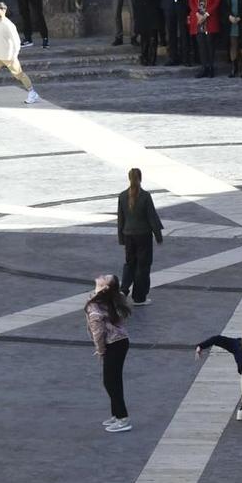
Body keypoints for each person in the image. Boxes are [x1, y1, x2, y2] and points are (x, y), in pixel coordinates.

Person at [86, 274, 133, 434]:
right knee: (113, 380)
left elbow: (98, 332)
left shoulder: (95, 306)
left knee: (110, 382)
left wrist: (100, 350)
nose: (101, 276)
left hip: (114, 344)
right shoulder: (103, 298)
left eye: (105, 277)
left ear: (105, 287)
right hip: (120, 342)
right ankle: (116, 415)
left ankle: (123, 418)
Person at [117, 169, 164, 307]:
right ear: (140, 178)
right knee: (143, 266)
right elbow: (152, 217)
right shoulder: (145, 196)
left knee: (130, 263)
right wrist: (158, 235)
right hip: (143, 235)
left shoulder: (122, 196)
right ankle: (139, 297)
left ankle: (123, 291)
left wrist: (121, 237)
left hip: (128, 235)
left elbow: (121, 219)